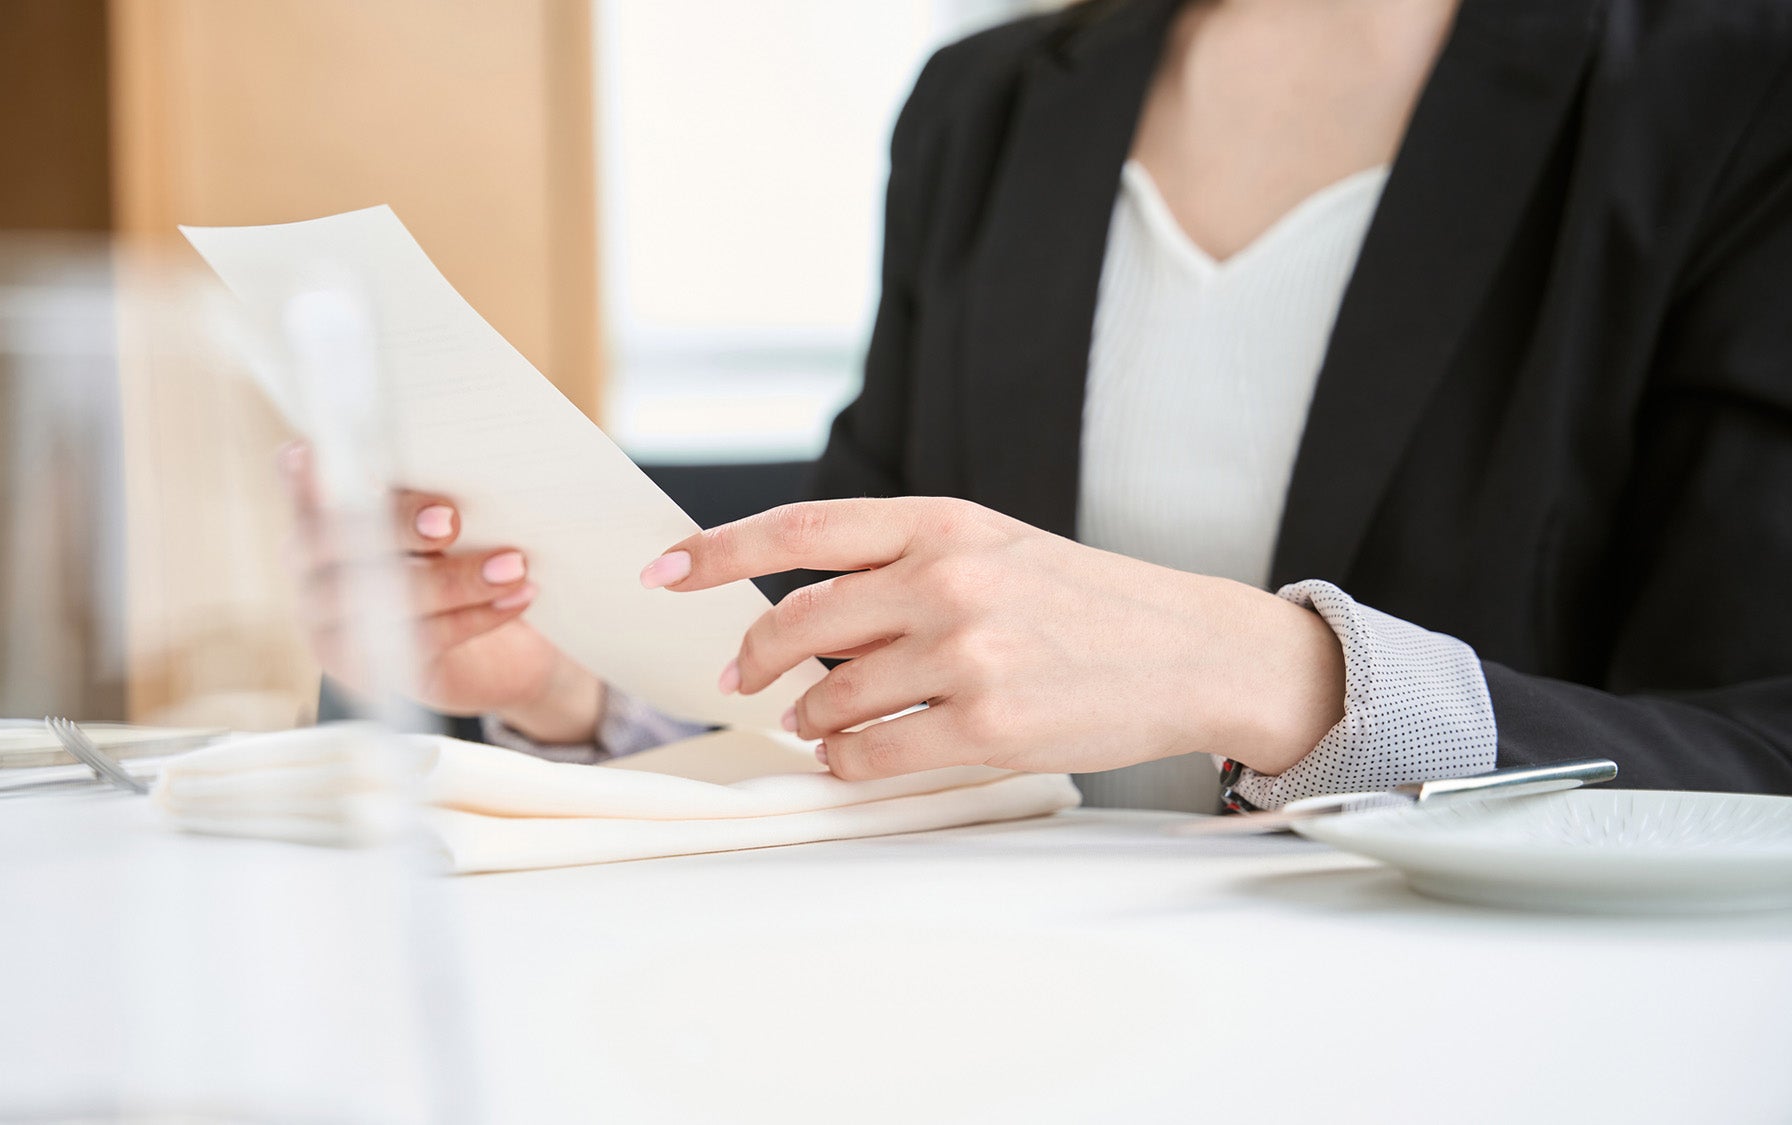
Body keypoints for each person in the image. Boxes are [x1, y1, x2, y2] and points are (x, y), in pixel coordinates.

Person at [284, 0, 1792, 811]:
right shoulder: (988, 105)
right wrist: (571, 682)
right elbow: (861, 642)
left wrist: (1282, 672)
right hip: (1016, 1010)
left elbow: (1758, 751)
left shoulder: (1735, 89)